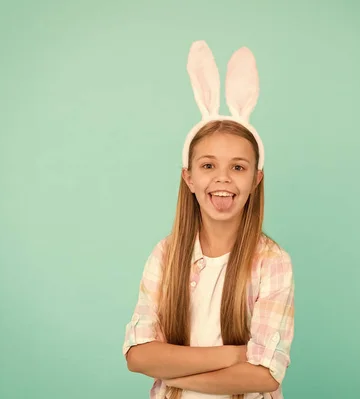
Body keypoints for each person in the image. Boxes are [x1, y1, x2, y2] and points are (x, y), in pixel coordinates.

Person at [122, 40, 295, 399]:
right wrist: (233, 355)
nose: (223, 179)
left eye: (238, 167)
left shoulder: (272, 263)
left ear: (256, 179)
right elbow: (138, 355)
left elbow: (264, 376)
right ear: (189, 178)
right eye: (208, 165)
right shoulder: (166, 255)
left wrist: (174, 373)